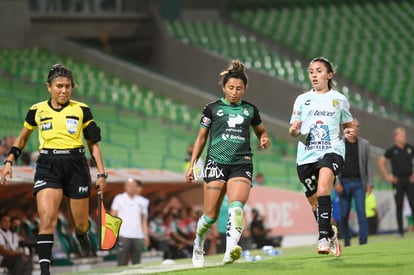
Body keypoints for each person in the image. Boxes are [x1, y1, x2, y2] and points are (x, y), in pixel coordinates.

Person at [1, 64, 108, 275]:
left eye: (68, 86)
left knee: (80, 223)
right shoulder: (36, 110)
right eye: (59, 86)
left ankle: (81, 235)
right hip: (48, 165)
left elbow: (93, 144)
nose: (64, 90)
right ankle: (45, 270)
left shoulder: (82, 110)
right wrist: (9, 161)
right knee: (48, 217)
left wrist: (102, 174)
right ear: (48, 87)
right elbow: (22, 138)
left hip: (76, 164)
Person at [185, 59, 271, 267]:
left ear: (245, 89)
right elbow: (201, 138)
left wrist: (264, 138)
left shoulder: (251, 110)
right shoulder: (212, 109)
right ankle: (198, 244)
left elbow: (261, 130)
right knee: (210, 217)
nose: (234, 92)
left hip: (242, 163)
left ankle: (230, 250)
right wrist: (192, 164)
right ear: (223, 87)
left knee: (237, 208)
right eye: (231, 87)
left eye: (239, 88)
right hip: (216, 163)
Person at [289, 57, 353, 257]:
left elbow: (347, 125)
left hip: (332, 150)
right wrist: (294, 129)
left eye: (318, 71)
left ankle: (323, 237)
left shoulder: (340, 99)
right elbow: (293, 130)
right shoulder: (302, 99)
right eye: (311, 72)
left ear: (329, 75)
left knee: (323, 187)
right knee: (315, 203)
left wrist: (349, 133)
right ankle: (330, 231)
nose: (314, 75)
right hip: (307, 155)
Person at [335, 118, 373, 246]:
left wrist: (370, 183)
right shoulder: (339, 143)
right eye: (352, 126)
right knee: (344, 214)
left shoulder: (364, 144)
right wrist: (336, 182)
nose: (355, 128)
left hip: (358, 183)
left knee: (361, 212)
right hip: (343, 183)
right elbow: (333, 163)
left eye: (357, 126)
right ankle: (346, 239)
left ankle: (363, 241)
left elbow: (368, 164)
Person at [378, 127, 414, 237]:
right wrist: (387, 176)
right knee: (399, 205)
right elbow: (381, 161)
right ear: (396, 137)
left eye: (405, 135)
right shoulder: (392, 150)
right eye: (402, 135)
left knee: (413, 204)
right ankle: (400, 231)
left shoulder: (410, 148)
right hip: (397, 181)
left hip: (409, 180)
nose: (404, 137)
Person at [110, 178, 150, 266]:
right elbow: (113, 216)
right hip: (123, 234)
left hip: (138, 235)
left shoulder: (143, 201)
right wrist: (112, 233)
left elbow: (143, 220)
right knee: (122, 260)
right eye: (129, 186)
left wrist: (146, 235)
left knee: (137, 262)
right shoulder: (119, 198)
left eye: (134, 186)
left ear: (137, 188)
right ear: (125, 187)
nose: (131, 188)